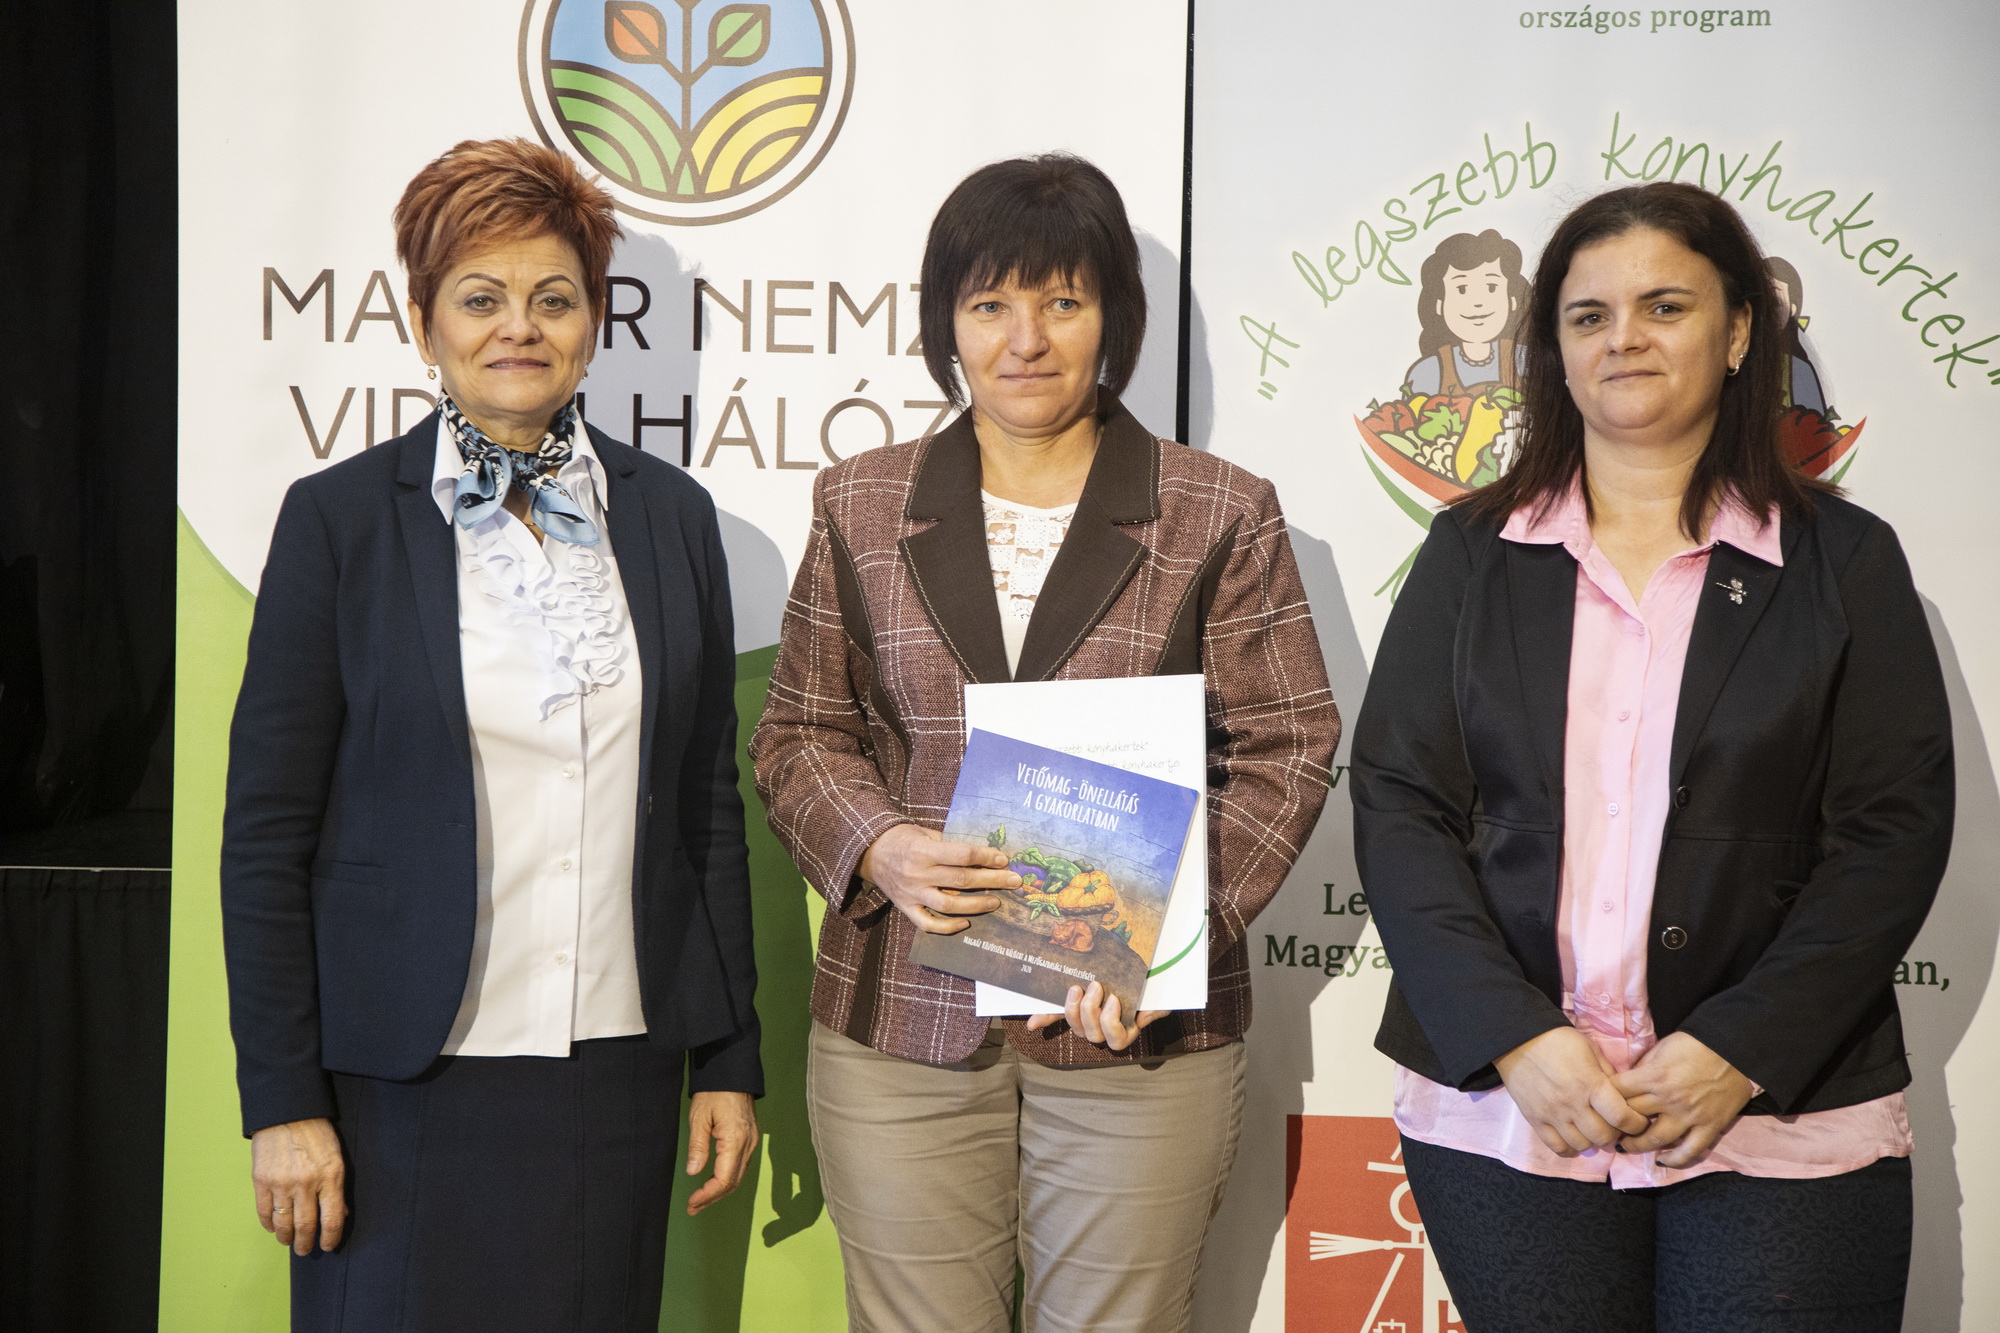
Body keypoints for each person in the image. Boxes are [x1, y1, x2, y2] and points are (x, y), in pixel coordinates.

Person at [750, 153, 1339, 1333]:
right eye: (989, 305)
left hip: (1135, 1034)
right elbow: (802, 731)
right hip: (903, 1019)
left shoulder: (1218, 508)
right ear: (945, 324)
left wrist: (1156, 941)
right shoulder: (859, 501)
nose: (1024, 339)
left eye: (1061, 301)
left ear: (1112, 317)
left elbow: (1286, 745)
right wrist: (878, 846)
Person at [1353, 180, 1953, 1332]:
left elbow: (1891, 831)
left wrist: (1741, 1045)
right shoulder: (1471, 552)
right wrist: (1512, 1035)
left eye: (1663, 306)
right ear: (1552, 350)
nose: (1621, 337)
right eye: (1587, 315)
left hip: (1774, 1108)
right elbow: (1398, 803)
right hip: (1515, 1111)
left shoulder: (1841, 561)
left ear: (1736, 333)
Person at [221, 138, 761, 1333]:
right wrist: (281, 1097)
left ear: (594, 325)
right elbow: (265, 835)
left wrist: (727, 1057)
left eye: (552, 298)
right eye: (480, 298)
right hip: (395, 1078)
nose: (519, 326)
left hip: (613, 1069)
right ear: (423, 323)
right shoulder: (339, 522)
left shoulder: (671, 518)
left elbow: (705, 808)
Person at [1402, 228, 1530, 396]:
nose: (1477, 302)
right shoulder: (1428, 372)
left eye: (1491, 287)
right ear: (1439, 304)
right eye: (1461, 289)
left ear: (1512, 300)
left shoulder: (1527, 361)